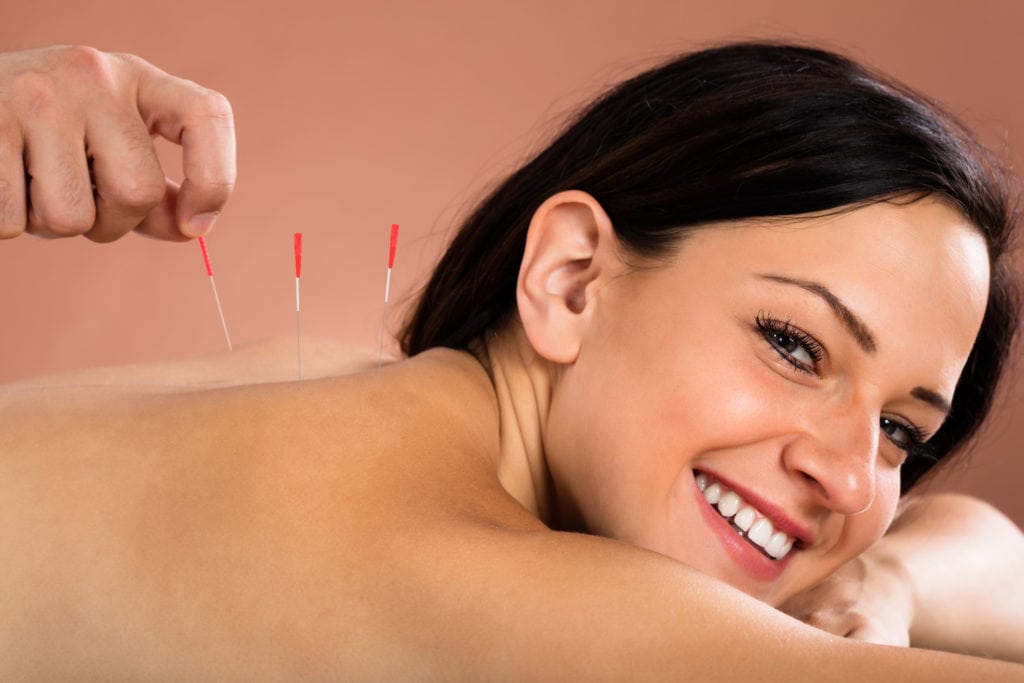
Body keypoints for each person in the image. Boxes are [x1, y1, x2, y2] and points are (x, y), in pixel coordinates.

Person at [0, 43, 1022, 679]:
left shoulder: (343, 388)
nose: (849, 474)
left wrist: (880, 586)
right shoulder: (462, 571)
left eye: (899, 430)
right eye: (793, 343)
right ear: (572, 277)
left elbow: (984, 548)